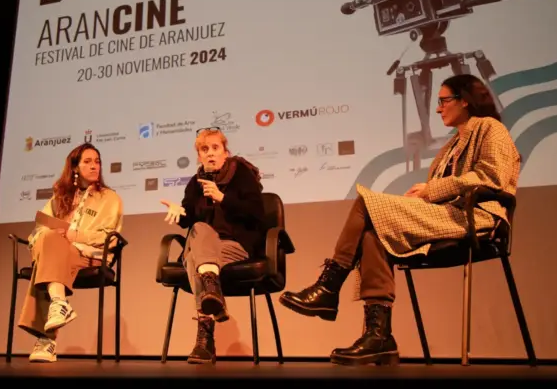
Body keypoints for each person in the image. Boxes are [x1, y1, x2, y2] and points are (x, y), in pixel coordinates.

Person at [279, 74, 521, 366]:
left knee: (365, 202)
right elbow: (444, 191)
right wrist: (420, 199)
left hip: (478, 218)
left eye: (444, 100)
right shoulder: (452, 145)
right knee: (374, 233)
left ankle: (329, 286)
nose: (438, 108)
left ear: (465, 100)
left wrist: (431, 190)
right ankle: (378, 336)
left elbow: (490, 177)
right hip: (449, 215)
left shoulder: (490, 128)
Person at [160, 127, 266, 365]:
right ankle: (211, 289)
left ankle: (204, 338)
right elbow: (188, 218)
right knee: (199, 231)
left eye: (215, 148)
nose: (210, 154)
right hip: (206, 248)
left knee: (194, 254)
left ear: (225, 152)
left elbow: (257, 214)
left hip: (235, 248)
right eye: (204, 149)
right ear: (198, 156)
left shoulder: (242, 175)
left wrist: (223, 198)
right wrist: (179, 213)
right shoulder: (195, 183)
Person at [18, 143, 123, 363]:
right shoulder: (60, 197)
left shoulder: (109, 198)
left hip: (90, 257)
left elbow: (108, 235)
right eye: (87, 161)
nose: (94, 166)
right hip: (58, 254)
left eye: (97, 161)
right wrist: (53, 237)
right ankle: (59, 304)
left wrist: (75, 235)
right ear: (75, 167)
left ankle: (47, 340)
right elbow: (38, 230)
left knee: (46, 261)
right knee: (49, 241)